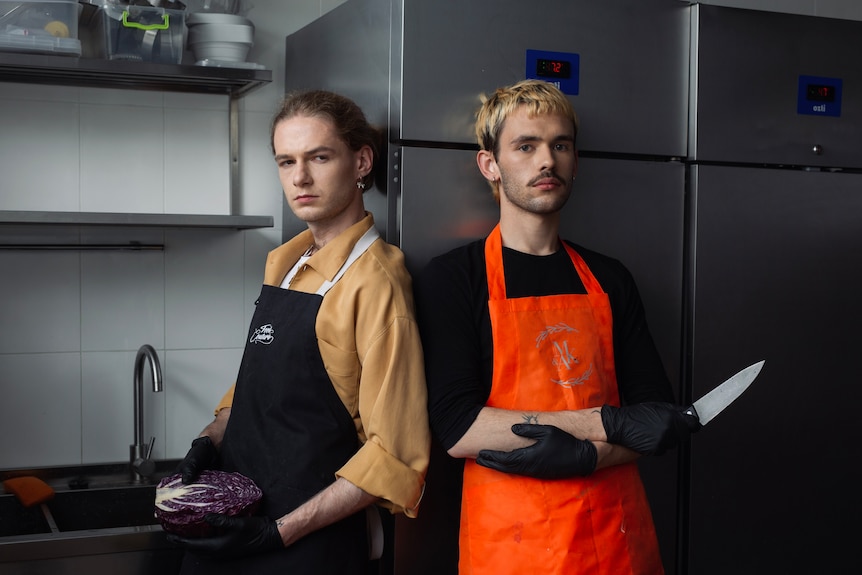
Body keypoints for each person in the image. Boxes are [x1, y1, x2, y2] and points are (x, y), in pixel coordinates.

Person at [413, 79, 700, 575]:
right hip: (511, 546)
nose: (547, 161)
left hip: (615, 542)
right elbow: (460, 428)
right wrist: (605, 425)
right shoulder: (455, 278)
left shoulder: (609, 277)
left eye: (560, 145)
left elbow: (653, 417)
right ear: (491, 165)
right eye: (526, 146)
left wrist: (586, 458)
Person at [169, 90, 431, 574]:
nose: (300, 177)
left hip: (305, 550)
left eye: (319, 157)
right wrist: (210, 439)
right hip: (238, 529)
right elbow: (258, 390)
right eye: (286, 161)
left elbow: (393, 455)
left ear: (361, 161)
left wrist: (278, 533)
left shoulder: (376, 282)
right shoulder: (286, 264)